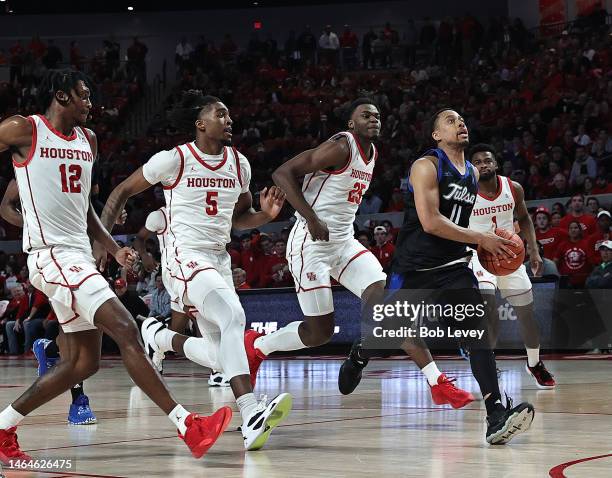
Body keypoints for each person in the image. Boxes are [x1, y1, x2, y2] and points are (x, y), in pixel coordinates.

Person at [0, 69, 232, 465]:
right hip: (50, 254)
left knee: (83, 361)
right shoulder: (24, 130)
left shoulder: (88, 140)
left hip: (76, 255)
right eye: (84, 95)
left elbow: (84, 209)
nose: (91, 103)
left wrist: (113, 246)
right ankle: (187, 425)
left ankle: (3, 427)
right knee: (126, 328)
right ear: (61, 96)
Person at [249, 99, 472, 411]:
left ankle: (437, 382)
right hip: (309, 242)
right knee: (319, 333)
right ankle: (258, 347)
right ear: (351, 123)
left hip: (343, 242)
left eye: (378, 115)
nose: (374, 119)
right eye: (365, 115)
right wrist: (312, 218)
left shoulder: (373, 154)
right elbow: (282, 173)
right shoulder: (341, 146)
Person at [100, 91, 292, 451]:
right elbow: (122, 191)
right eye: (221, 114)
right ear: (200, 124)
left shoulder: (240, 164)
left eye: (230, 114)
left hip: (218, 259)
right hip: (183, 257)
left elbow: (238, 220)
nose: (229, 119)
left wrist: (265, 217)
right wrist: (104, 242)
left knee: (221, 355)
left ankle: (158, 337)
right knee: (234, 317)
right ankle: (250, 413)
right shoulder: (174, 159)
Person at [341, 109, 535, 444]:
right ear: (435, 135)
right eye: (450, 121)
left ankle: (495, 415)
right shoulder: (426, 166)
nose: (460, 124)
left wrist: (493, 244)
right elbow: (430, 222)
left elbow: (463, 221)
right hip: (414, 269)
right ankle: (361, 352)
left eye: (462, 120)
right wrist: (480, 239)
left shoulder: (472, 172)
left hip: (454, 267)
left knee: (479, 334)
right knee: (387, 334)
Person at [468, 143, 555, 388]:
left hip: (511, 257)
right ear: (471, 168)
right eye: (477, 162)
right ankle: (488, 364)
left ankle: (534, 363)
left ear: (496, 164)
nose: (483, 165)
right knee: (488, 308)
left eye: (487, 160)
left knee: (527, 315)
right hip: (480, 256)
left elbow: (525, 218)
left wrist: (535, 252)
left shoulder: (513, 188)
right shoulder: (465, 192)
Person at [134, 208, 229, 386]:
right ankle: (217, 370)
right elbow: (139, 239)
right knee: (204, 313)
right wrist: (145, 255)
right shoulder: (159, 215)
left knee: (177, 329)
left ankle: (156, 338)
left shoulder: (196, 209)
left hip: (198, 267)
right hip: (175, 272)